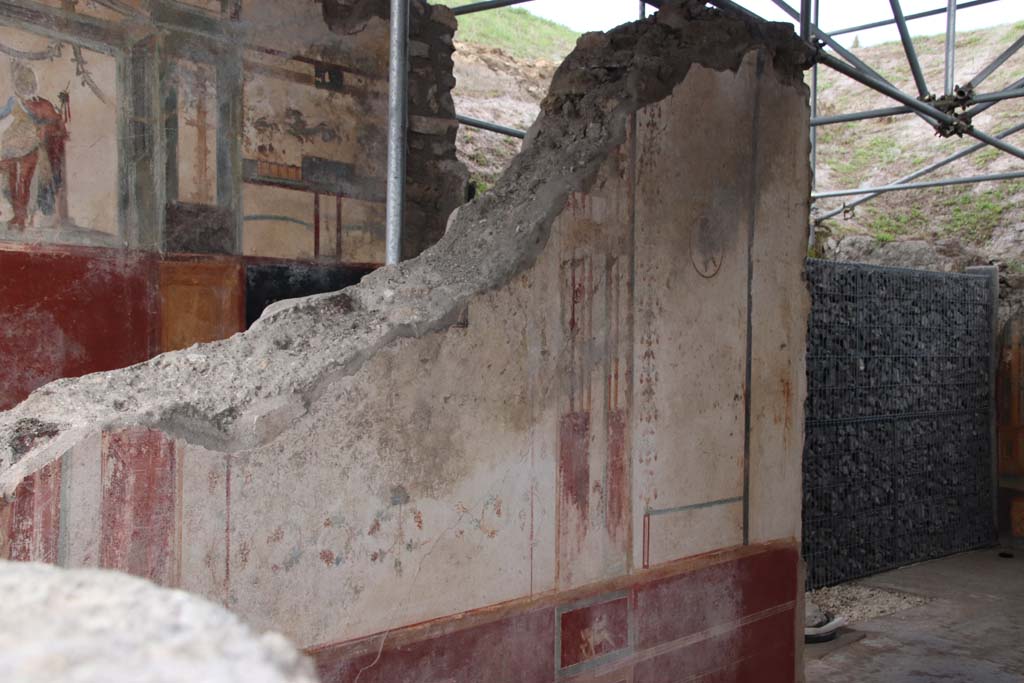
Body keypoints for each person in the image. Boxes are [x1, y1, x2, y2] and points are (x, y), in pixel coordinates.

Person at [0, 61, 67, 229]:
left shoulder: (42, 104)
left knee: (23, 182)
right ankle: (18, 216)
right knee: (13, 181)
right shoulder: (14, 101)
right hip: (12, 148)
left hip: (30, 148)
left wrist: (44, 128)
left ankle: (22, 218)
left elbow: (56, 125)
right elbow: (2, 113)